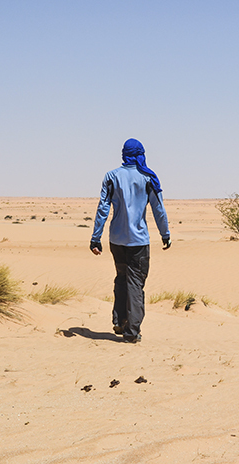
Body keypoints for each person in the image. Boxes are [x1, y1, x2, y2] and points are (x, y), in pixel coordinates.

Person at [90, 138, 171, 343]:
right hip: (139, 242)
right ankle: (131, 332)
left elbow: (103, 208)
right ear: (141, 154)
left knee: (121, 277)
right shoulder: (148, 177)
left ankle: (119, 320)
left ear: (124, 154)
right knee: (135, 283)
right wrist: (165, 233)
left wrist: (95, 238)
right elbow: (158, 208)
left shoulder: (112, 176)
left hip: (116, 239)